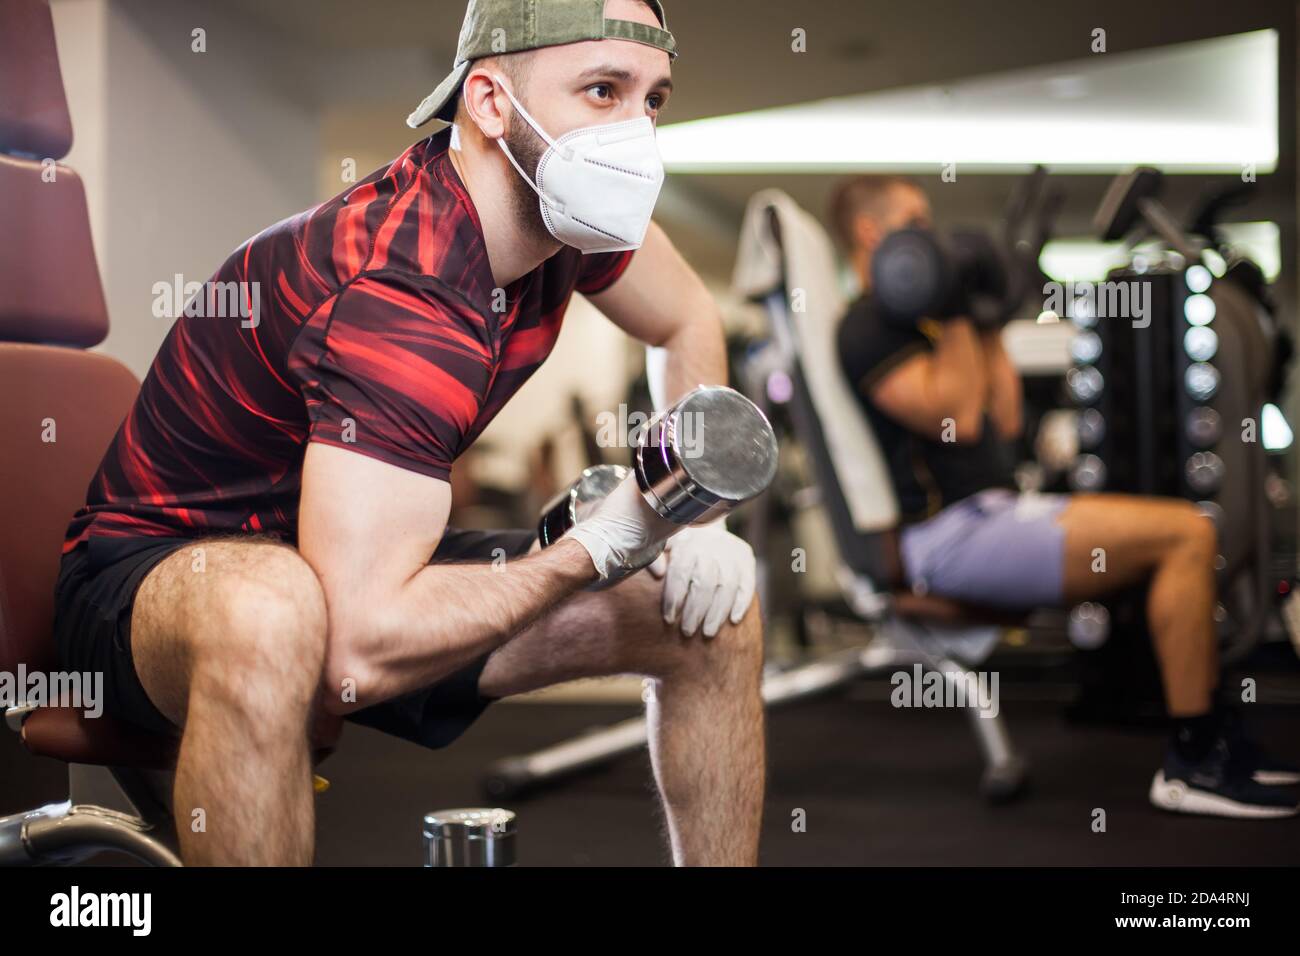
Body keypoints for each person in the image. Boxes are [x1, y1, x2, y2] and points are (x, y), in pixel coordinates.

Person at [54, 0, 765, 866]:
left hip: (356, 558)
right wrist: (600, 544)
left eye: (652, 99)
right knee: (275, 607)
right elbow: (355, 641)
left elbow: (687, 314)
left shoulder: (569, 218)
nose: (635, 133)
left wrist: (699, 523)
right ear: (493, 103)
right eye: (602, 90)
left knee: (712, 617)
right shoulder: (400, 286)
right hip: (159, 574)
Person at [832, 174, 1298, 819]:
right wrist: (963, 313)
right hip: (942, 537)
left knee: (1188, 530)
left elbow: (1006, 416)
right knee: (1186, 534)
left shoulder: (927, 322)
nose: (929, 236)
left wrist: (987, 319)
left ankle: (1211, 739)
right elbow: (959, 420)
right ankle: (1196, 760)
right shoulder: (865, 324)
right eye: (915, 221)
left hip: (994, 511)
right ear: (870, 233)